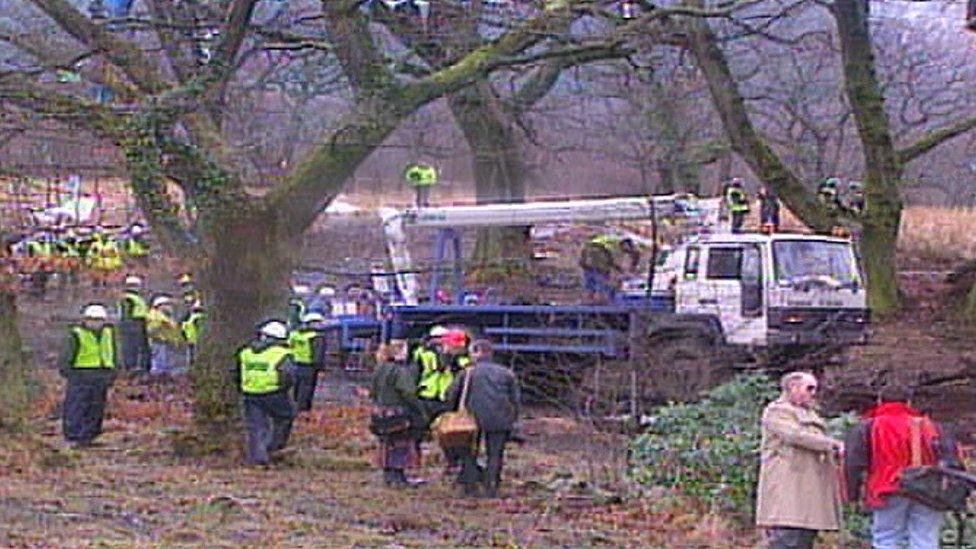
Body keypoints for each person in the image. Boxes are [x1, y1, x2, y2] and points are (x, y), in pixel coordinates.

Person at [844, 384, 962, 549]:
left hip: (887, 488)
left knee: (886, 539)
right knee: (925, 539)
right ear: (909, 402)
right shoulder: (931, 426)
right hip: (927, 490)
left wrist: (853, 494)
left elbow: (853, 463)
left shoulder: (867, 427)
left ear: (879, 401)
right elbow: (951, 459)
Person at [756, 371, 844, 549]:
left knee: (803, 540)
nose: (813, 393)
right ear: (793, 388)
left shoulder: (811, 414)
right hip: (787, 492)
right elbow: (795, 435)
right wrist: (832, 444)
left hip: (808, 493)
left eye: (815, 389)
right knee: (786, 540)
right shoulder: (776, 411)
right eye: (809, 388)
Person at [446, 339, 521, 498]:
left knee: (468, 452)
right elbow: (515, 400)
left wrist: (452, 413)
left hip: (471, 420)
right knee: (495, 454)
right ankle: (491, 486)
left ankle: (470, 485)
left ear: (476, 353)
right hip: (500, 419)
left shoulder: (467, 373)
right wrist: (513, 419)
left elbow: (451, 395)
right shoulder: (506, 373)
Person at [233, 321, 297, 466]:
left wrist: (242, 388)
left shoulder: (245, 352)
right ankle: (274, 448)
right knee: (285, 416)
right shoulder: (283, 353)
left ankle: (258, 459)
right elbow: (289, 375)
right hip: (274, 393)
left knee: (256, 426)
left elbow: (237, 373)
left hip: (250, 393)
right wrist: (283, 388)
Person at [370, 340, 427, 488]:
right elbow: (408, 393)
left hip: (380, 412)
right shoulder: (400, 371)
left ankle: (388, 475)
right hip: (397, 413)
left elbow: (373, 392)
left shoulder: (379, 368)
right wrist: (420, 410)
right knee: (400, 444)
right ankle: (398, 477)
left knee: (386, 443)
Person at [59, 304, 118, 447]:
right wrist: (67, 371)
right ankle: (73, 436)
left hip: (101, 373)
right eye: (92, 319)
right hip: (81, 374)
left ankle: (90, 435)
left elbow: (113, 352)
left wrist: (113, 372)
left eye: (99, 320)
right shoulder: (77, 333)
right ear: (85, 320)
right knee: (77, 405)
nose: (95, 323)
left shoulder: (108, 333)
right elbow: (67, 354)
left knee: (96, 407)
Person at [579, 235, 640, 303]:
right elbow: (611, 260)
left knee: (590, 281)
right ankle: (600, 302)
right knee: (602, 280)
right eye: (627, 251)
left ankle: (588, 301)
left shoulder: (611, 240)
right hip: (598, 252)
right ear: (625, 244)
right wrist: (621, 271)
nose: (625, 252)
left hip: (588, 252)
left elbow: (611, 261)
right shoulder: (615, 245)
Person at [288, 312, 327, 412]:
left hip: (294, 364)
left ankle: (295, 407)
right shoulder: (316, 336)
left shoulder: (294, 334)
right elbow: (318, 354)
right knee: (306, 389)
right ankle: (303, 410)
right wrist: (321, 368)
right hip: (309, 366)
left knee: (297, 388)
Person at [118, 275, 151, 373]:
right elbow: (126, 313)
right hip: (132, 323)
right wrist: (128, 325)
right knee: (131, 346)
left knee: (140, 347)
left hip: (140, 322)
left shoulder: (137, 298)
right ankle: (130, 367)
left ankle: (140, 366)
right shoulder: (128, 298)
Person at [146, 295, 182, 376]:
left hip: (167, 343)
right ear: (160, 306)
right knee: (159, 365)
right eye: (167, 304)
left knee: (166, 366)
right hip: (159, 342)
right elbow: (152, 329)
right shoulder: (156, 315)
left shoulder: (166, 316)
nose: (169, 307)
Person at [181, 300, 206, 369]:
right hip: (193, 339)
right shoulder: (195, 318)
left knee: (191, 355)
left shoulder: (190, 318)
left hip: (191, 339)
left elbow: (183, 329)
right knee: (192, 355)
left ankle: (192, 366)